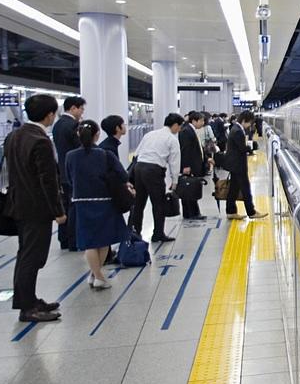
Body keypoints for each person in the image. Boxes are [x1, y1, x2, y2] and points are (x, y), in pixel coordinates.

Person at [3, 94, 66, 322]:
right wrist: (58, 211)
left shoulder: (14, 136)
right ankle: (28, 308)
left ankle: (27, 300)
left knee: (25, 254)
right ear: (49, 114)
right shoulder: (40, 141)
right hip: (36, 209)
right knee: (33, 257)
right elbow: (47, 181)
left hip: (18, 205)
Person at [65, 119, 133, 290]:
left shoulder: (70, 156)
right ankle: (99, 276)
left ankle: (94, 274)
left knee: (89, 241)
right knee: (104, 240)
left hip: (81, 203)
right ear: (97, 135)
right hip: (105, 201)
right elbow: (123, 176)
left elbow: (68, 178)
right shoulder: (105, 154)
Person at [130, 113, 184, 242]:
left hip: (139, 168)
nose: (180, 129)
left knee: (138, 203)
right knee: (158, 203)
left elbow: (137, 153)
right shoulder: (172, 139)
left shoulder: (150, 134)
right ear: (175, 125)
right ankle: (158, 234)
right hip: (154, 171)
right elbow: (174, 162)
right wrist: (175, 181)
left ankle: (134, 233)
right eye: (180, 126)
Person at [53, 96, 86, 251]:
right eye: (81, 109)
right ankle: (74, 240)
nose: (82, 112)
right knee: (74, 207)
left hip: (62, 171)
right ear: (73, 108)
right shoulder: (73, 125)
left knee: (65, 205)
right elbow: (80, 148)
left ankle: (64, 239)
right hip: (74, 173)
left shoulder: (58, 124)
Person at [225, 110, 268, 220]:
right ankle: (251, 212)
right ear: (244, 121)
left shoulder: (235, 129)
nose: (250, 125)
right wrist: (251, 148)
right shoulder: (238, 131)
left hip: (234, 165)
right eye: (249, 123)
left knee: (233, 189)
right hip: (238, 165)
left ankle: (231, 211)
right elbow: (242, 148)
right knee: (245, 189)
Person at [179, 111, 208, 220]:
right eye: (201, 120)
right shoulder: (187, 131)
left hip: (194, 165)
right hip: (189, 166)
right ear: (194, 121)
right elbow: (185, 150)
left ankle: (193, 212)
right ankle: (191, 213)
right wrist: (186, 166)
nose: (203, 123)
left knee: (191, 188)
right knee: (189, 189)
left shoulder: (192, 130)